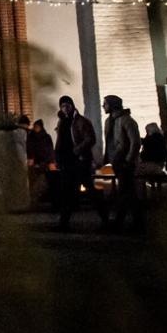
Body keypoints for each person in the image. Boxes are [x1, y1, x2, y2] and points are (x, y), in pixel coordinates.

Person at [54, 95, 105, 231]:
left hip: (79, 161)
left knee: (90, 190)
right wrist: (58, 157)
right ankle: (63, 222)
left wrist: (78, 150)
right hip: (67, 162)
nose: (65, 108)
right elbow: (60, 141)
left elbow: (90, 139)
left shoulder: (81, 121)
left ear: (72, 105)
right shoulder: (61, 122)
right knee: (67, 192)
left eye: (67, 105)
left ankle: (104, 217)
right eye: (63, 106)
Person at [102, 95, 142, 232]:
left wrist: (129, 160)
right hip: (116, 161)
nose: (103, 106)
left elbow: (135, 142)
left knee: (125, 192)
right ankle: (134, 221)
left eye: (105, 104)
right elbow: (109, 141)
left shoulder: (126, 121)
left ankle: (124, 221)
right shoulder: (109, 121)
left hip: (124, 161)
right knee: (127, 192)